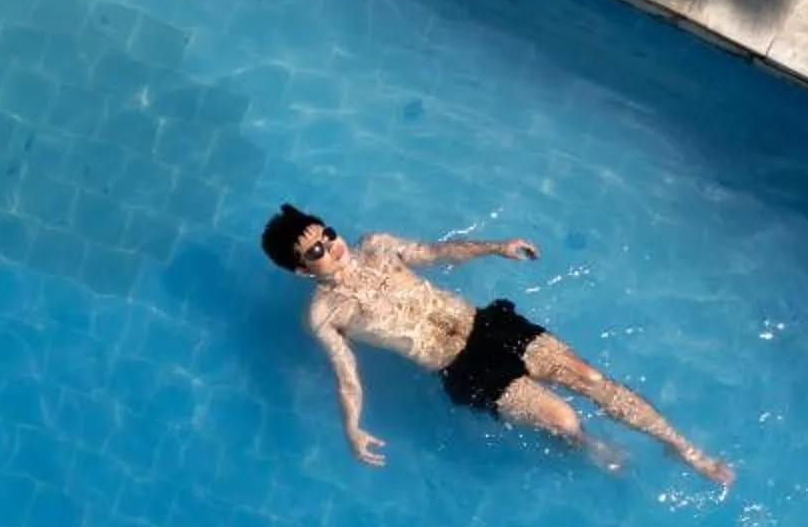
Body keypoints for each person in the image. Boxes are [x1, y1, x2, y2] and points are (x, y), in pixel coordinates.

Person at [259, 203, 732, 485]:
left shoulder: (379, 245)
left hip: (486, 325)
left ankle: (683, 448)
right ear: (302, 270)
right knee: (564, 419)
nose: (331, 247)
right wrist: (353, 427)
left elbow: (437, 252)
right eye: (315, 251)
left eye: (327, 234)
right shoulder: (325, 315)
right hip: (461, 367)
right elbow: (346, 375)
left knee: (589, 377)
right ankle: (586, 444)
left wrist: (495, 246)